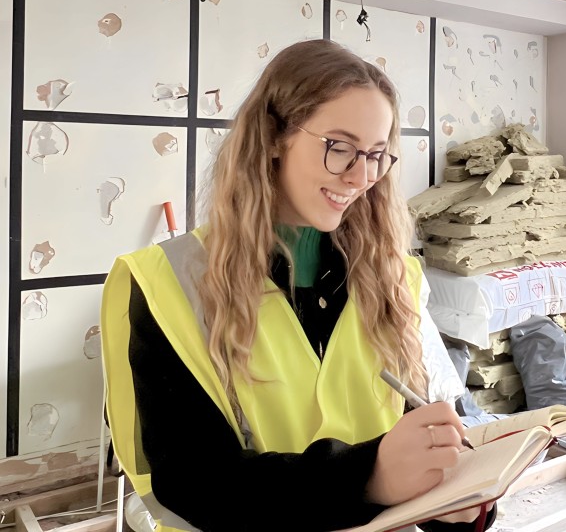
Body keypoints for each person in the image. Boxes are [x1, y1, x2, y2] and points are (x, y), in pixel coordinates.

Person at [101, 39, 495, 532]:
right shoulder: (167, 283)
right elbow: (194, 482)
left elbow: (435, 428)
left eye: (376, 155)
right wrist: (368, 476)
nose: (361, 177)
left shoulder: (398, 278)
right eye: (340, 147)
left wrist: (459, 500)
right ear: (272, 136)